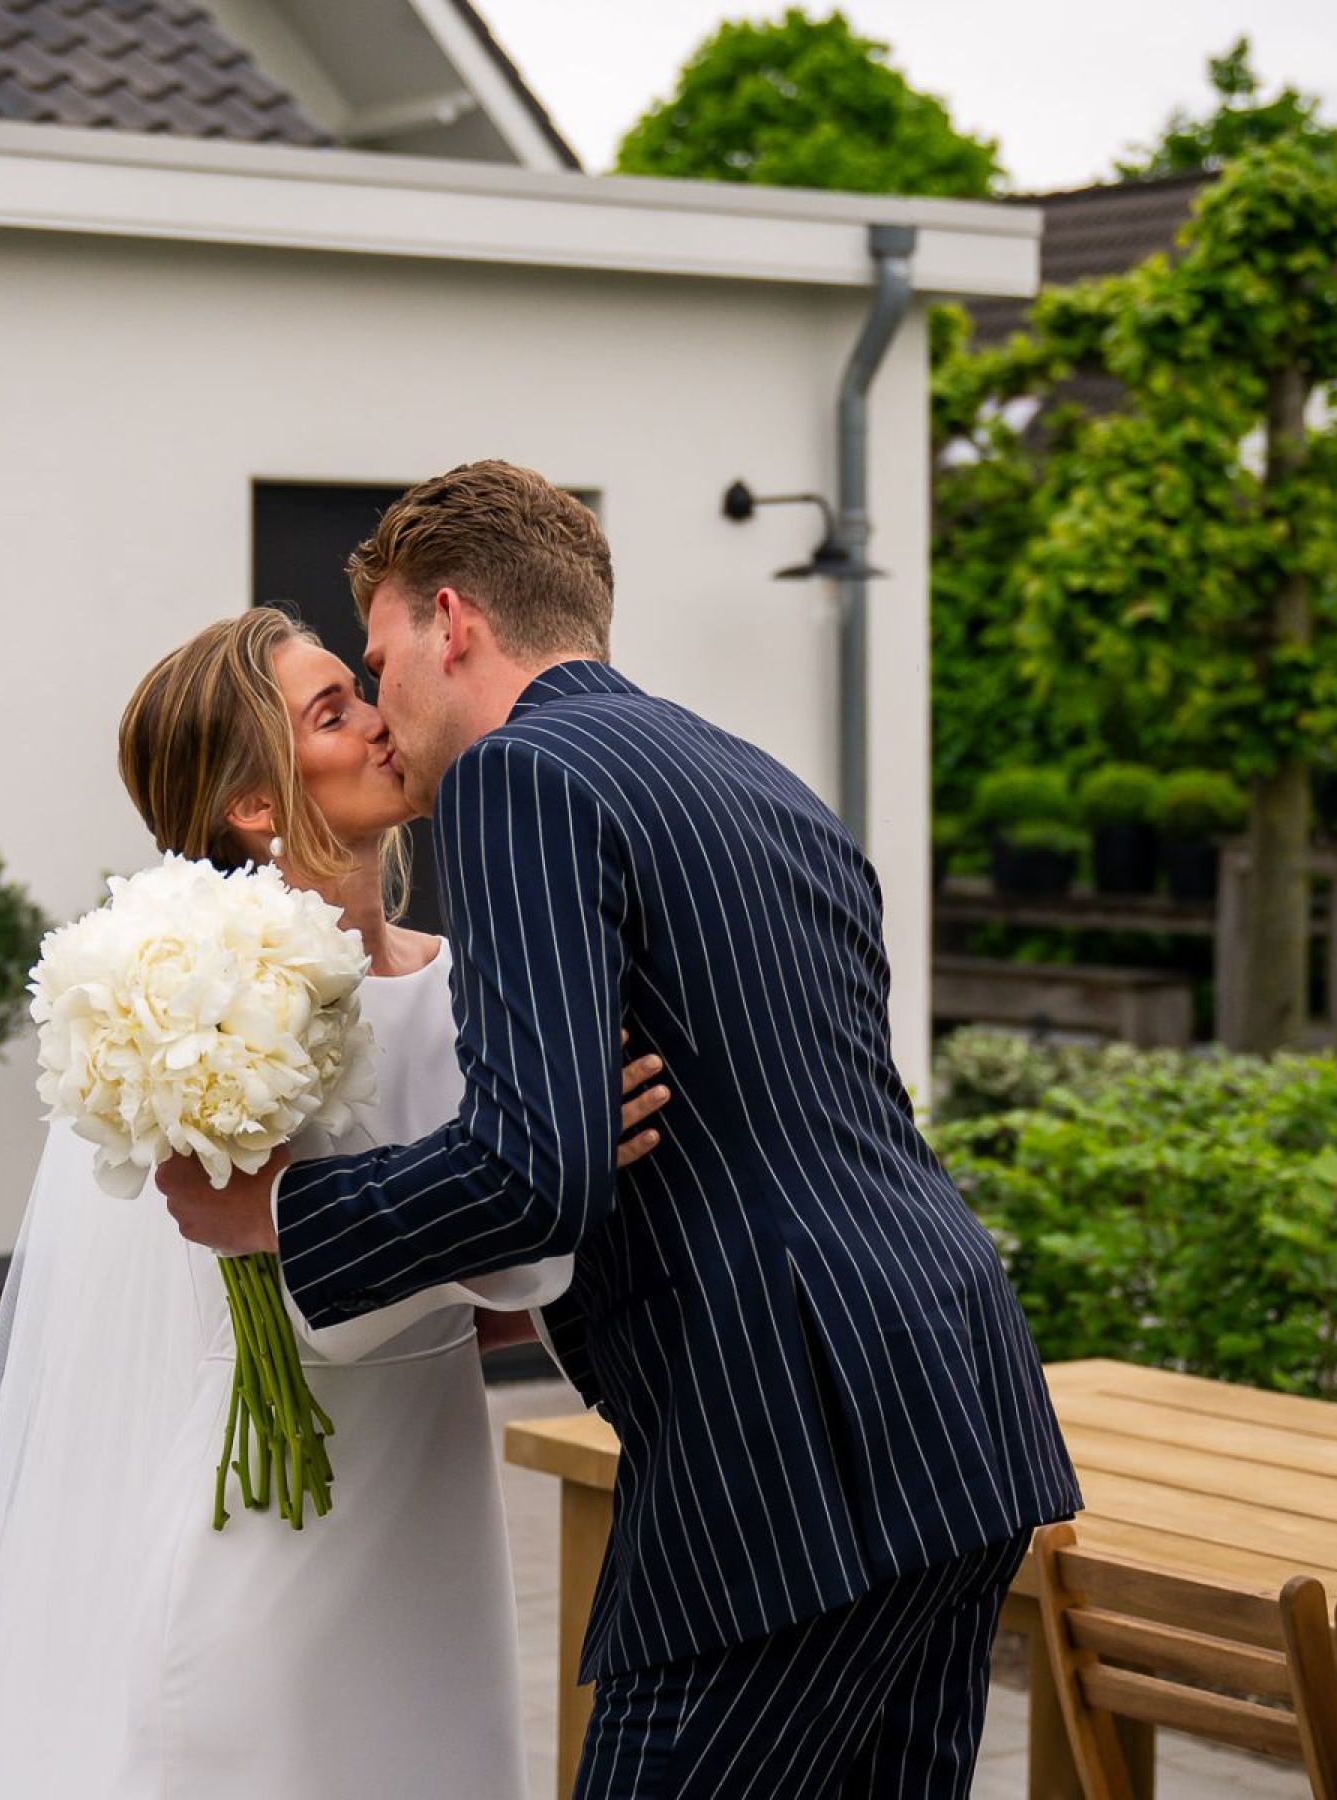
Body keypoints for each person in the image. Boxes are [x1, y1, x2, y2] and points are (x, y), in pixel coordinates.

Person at [165, 460, 1080, 1798]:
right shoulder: (763, 779)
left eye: (381, 654)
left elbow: (536, 1173)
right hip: (965, 1404)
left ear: (453, 623)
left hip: (778, 1451)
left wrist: (281, 1220)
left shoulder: (518, 777)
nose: (385, 706)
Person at [0, 606, 671, 1797]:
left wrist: (542, 1197)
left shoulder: (465, 979)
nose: (383, 722)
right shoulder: (225, 1017)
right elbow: (303, 1304)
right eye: (334, 712)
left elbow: (490, 1284)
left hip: (435, 1511)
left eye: (358, 691)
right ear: (256, 807)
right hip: (278, 1527)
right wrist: (555, 1191)